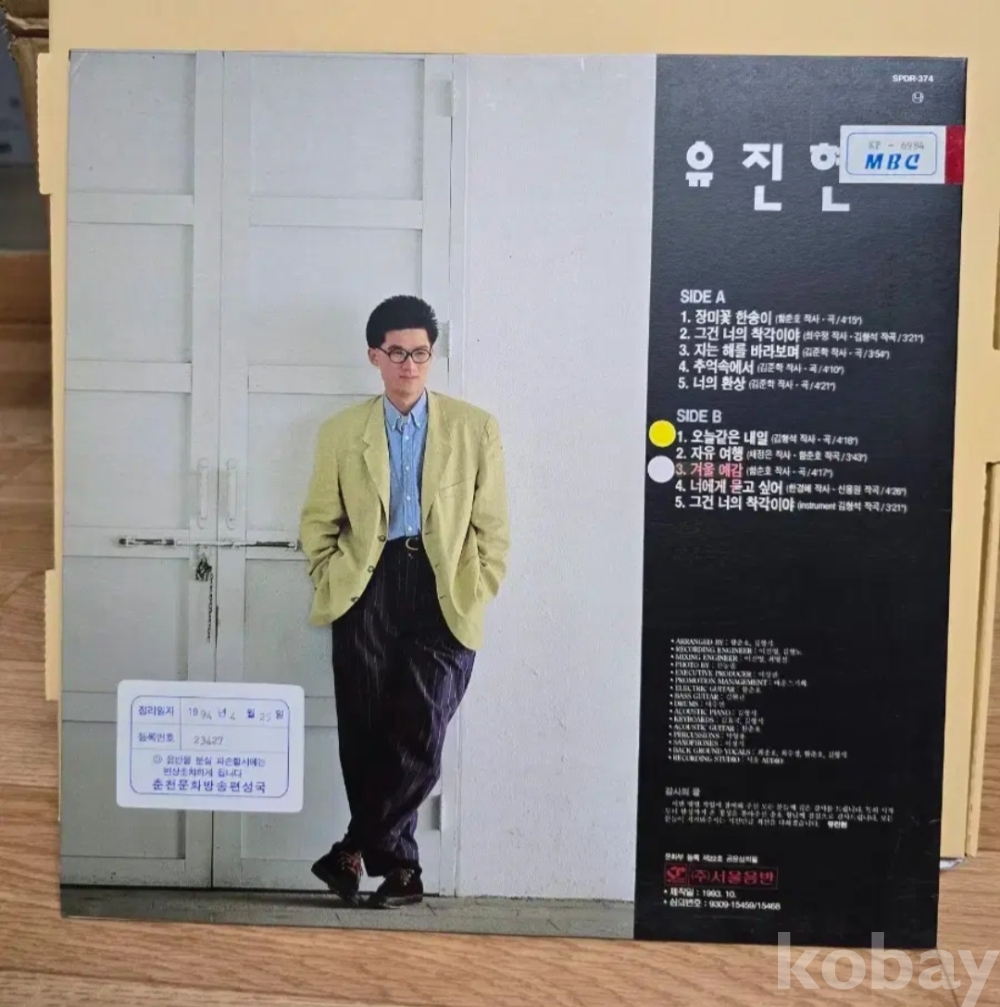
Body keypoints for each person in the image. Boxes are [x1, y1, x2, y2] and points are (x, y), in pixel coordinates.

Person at [299, 294, 510, 908]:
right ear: (375, 356)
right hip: (366, 585)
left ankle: (350, 850)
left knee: (420, 727)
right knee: (366, 731)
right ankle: (402, 872)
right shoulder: (342, 432)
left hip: (445, 587)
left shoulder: (475, 427)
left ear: (432, 354)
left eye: (420, 353)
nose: (410, 365)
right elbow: (319, 520)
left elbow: (493, 527)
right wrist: (329, 575)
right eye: (397, 353)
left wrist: (480, 585)